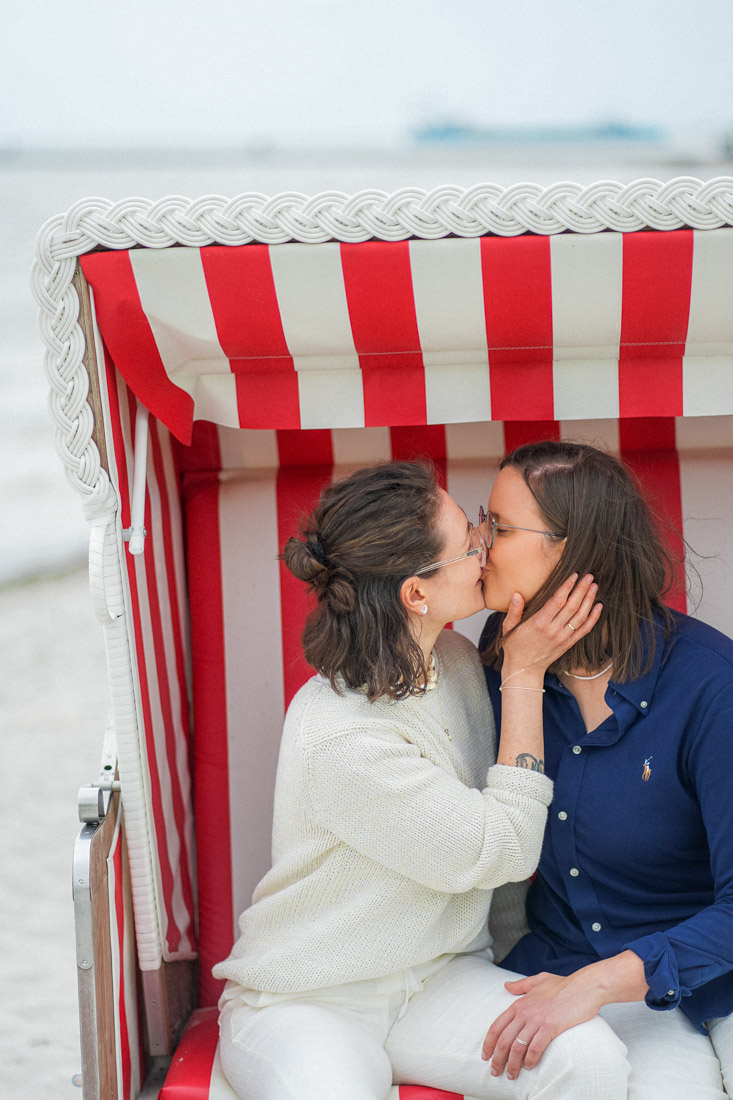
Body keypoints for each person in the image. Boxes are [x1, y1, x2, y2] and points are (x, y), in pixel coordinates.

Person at [213, 460, 629, 1100]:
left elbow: (503, 885)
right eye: (470, 539)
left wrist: (515, 965)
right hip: (309, 1000)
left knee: (587, 1060)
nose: (487, 545)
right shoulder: (341, 736)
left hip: (441, 980)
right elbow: (505, 849)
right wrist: (523, 677)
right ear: (416, 593)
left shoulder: (458, 662)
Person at [478, 439, 733, 1100]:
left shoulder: (708, 685)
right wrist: (522, 675)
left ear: (569, 549)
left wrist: (597, 983)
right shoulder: (500, 660)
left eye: (499, 528)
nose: (479, 543)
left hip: (702, 981)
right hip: (555, 974)